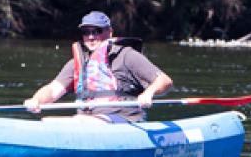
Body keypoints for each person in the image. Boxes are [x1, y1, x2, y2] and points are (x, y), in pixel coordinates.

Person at [24, 11, 173, 122]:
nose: (90, 37)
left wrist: (149, 93)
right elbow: (52, 89)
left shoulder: (127, 56)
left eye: (96, 31)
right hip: (87, 120)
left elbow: (164, 80)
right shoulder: (77, 64)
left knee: (84, 123)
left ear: (109, 32)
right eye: (86, 32)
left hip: (124, 120)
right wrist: (36, 99)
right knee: (48, 121)